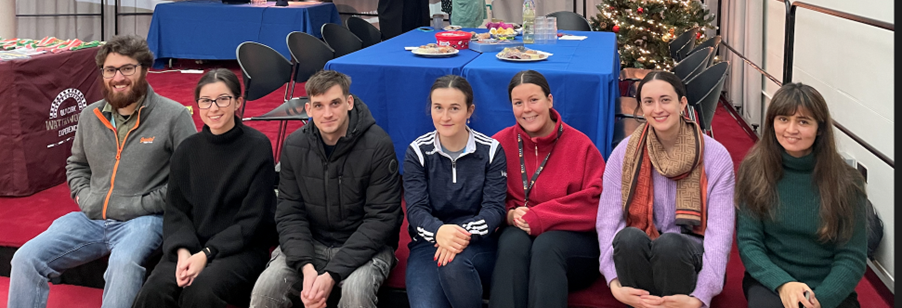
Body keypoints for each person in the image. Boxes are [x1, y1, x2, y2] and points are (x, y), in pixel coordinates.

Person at [8, 35, 196, 308]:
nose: (118, 77)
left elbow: (188, 180)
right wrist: (87, 199)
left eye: (127, 68)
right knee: (26, 257)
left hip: (143, 220)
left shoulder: (174, 116)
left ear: (144, 69)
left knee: (123, 264)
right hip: (91, 218)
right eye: (110, 70)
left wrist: (141, 204)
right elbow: (76, 165)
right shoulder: (90, 116)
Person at [249, 70, 403, 308]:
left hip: (365, 247)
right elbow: (290, 213)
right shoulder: (294, 145)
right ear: (308, 110)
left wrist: (332, 274)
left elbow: (382, 220)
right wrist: (306, 266)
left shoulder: (378, 145)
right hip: (312, 242)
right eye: (318, 106)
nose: (327, 113)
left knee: (356, 293)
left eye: (335, 103)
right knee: (265, 290)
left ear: (349, 102)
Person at [131, 69, 277, 308]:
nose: (214, 108)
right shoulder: (187, 150)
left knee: (200, 294)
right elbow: (176, 210)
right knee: (154, 291)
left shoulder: (257, 147)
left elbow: (254, 219)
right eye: (206, 101)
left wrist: (207, 254)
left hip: (240, 248)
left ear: (238, 102)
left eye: (223, 99)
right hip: (191, 245)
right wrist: (183, 252)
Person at [595, 70, 735, 308]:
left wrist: (701, 295)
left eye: (665, 100)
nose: (657, 109)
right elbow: (608, 221)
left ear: (682, 103)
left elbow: (720, 233)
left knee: (670, 244)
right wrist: (614, 281)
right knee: (627, 238)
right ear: (641, 108)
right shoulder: (625, 153)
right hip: (640, 250)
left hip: (687, 255)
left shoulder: (715, 155)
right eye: (649, 102)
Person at [735, 83, 867, 308]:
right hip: (772, 282)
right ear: (772, 122)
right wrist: (784, 284)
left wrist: (820, 301)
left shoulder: (847, 180)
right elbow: (749, 242)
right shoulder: (754, 169)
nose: (791, 129)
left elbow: (851, 257)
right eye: (783, 119)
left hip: (827, 288)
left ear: (820, 129)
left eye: (803, 121)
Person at [489, 70, 605, 308]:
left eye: (534, 100)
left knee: (547, 245)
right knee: (512, 243)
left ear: (549, 100)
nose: (527, 109)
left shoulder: (581, 145)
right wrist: (509, 214)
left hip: (574, 243)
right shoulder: (499, 144)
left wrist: (542, 217)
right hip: (518, 232)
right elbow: (485, 197)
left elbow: (597, 202)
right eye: (518, 103)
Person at [404, 75, 507, 308]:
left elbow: (494, 209)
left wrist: (458, 235)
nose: (445, 117)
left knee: (455, 268)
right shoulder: (418, 151)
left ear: (470, 111)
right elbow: (416, 210)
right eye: (438, 107)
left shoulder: (491, 151)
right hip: (427, 242)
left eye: (454, 108)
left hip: (477, 243)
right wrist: (439, 232)